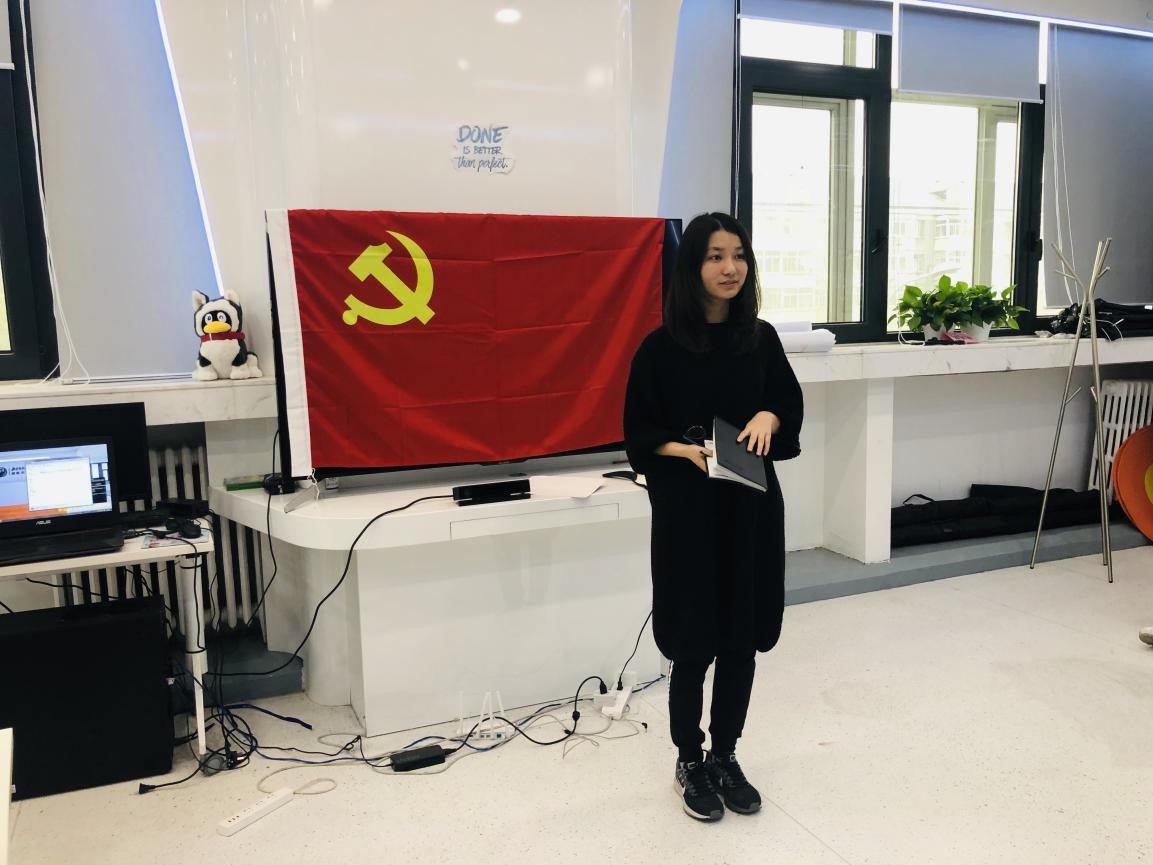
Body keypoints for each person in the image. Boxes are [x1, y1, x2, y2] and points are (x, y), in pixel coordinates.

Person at [623, 212, 803, 822]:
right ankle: (689, 759)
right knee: (694, 639)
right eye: (715, 256)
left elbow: (786, 405)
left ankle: (726, 753)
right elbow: (639, 430)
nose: (730, 268)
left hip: (750, 507)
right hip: (689, 512)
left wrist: (768, 417)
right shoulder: (660, 347)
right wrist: (682, 449)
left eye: (739, 255)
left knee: (740, 638)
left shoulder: (761, 339)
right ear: (691, 266)